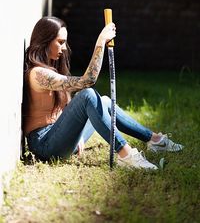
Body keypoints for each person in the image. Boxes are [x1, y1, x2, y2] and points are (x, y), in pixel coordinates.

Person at [23, 16, 183, 171]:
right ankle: (126, 155)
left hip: (59, 138)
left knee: (104, 101)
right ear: (45, 41)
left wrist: (72, 134)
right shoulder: (38, 74)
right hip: (46, 145)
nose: (64, 48)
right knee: (88, 95)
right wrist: (101, 41)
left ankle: (155, 140)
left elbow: (64, 111)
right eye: (60, 42)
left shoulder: (50, 69)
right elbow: (88, 81)